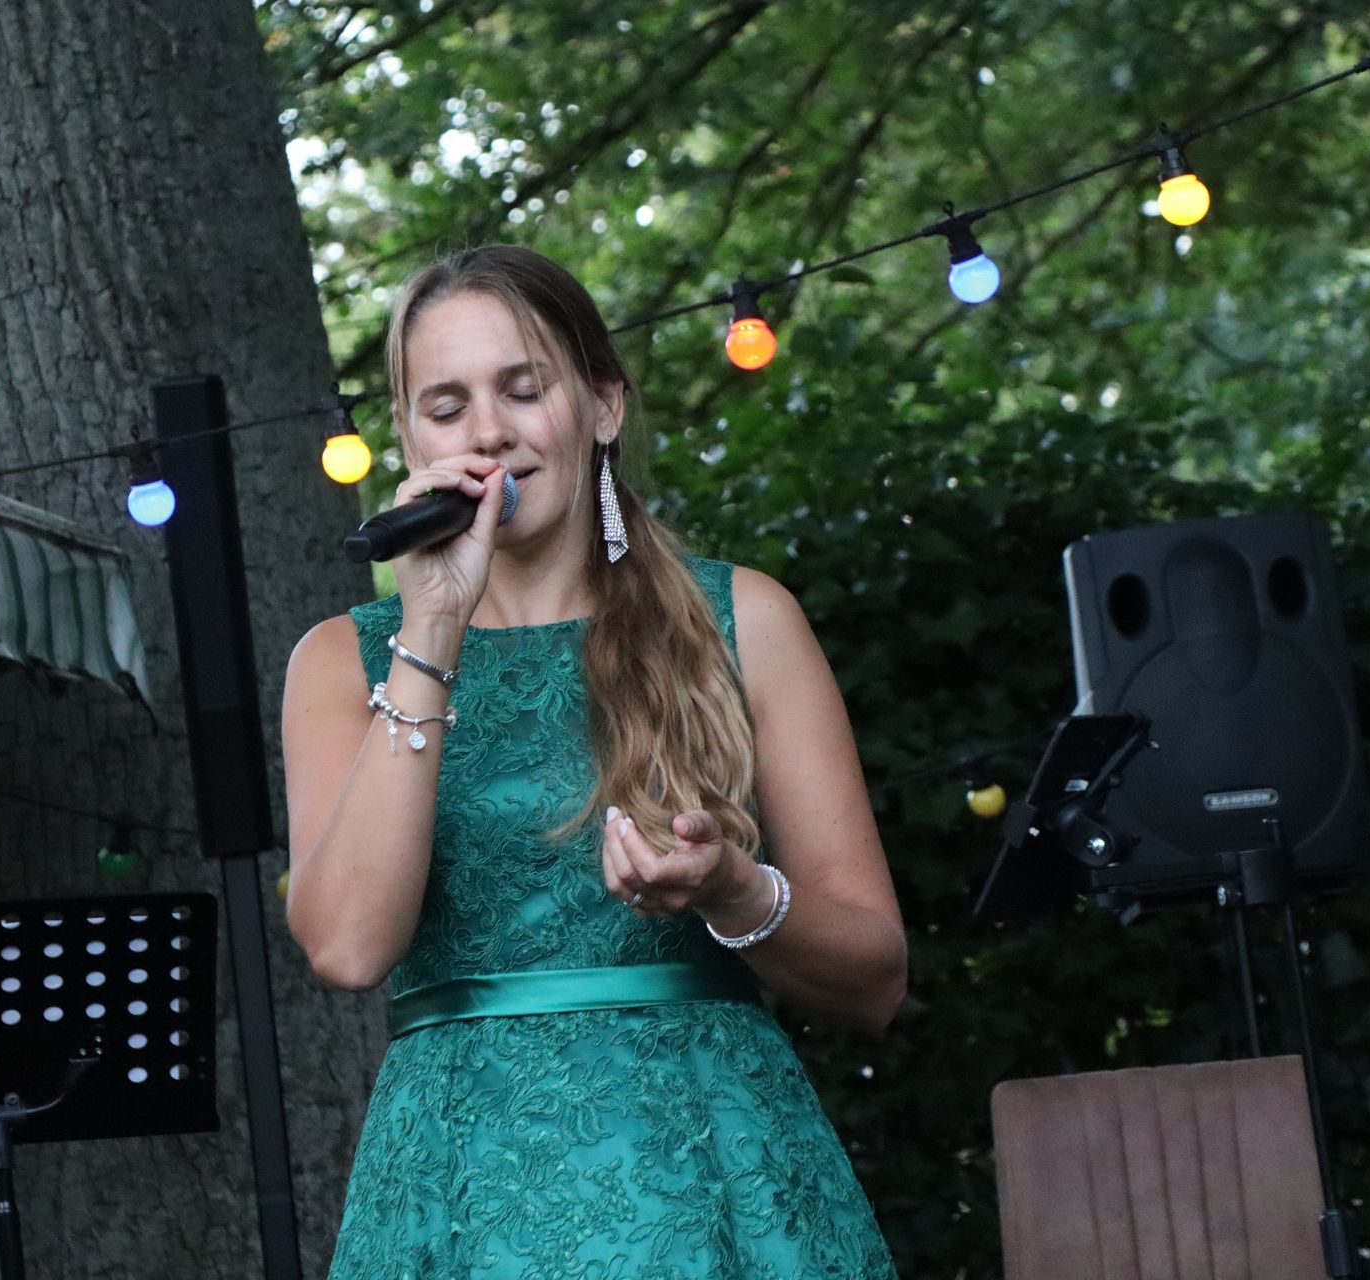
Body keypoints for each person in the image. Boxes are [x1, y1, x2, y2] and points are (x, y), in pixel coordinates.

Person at [282, 244, 905, 1278]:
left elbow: (876, 977)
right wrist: (432, 626)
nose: (487, 431)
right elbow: (348, 946)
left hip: (715, 1186)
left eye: (523, 389)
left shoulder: (743, 619)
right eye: (445, 405)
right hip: (461, 1191)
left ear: (603, 403)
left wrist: (734, 889)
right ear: (407, 434)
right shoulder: (339, 661)